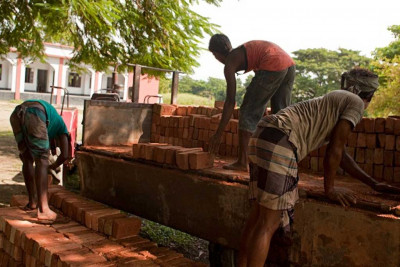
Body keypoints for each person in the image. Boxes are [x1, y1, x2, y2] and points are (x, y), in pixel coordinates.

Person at [237, 67, 400, 267]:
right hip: (281, 140)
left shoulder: (334, 100)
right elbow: (334, 151)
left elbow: (342, 155)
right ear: (370, 95)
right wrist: (329, 190)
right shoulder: (356, 103)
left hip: (262, 134)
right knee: (267, 225)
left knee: (257, 217)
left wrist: (373, 183)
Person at [208, 34, 296, 171]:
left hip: (274, 62)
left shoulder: (230, 62)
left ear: (217, 54)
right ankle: (282, 162)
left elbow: (231, 101)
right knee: (280, 115)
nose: (217, 59)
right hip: (289, 64)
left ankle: (243, 162)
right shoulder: (242, 53)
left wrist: (218, 133)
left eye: (214, 55)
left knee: (247, 111)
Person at [10, 99, 71, 223]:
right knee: (42, 160)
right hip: (35, 113)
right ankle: (44, 210)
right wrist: (52, 166)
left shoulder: (52, 123)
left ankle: (32, 202)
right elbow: (65, 155)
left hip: (16, 114)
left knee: (27, 158)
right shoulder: (63, 128)